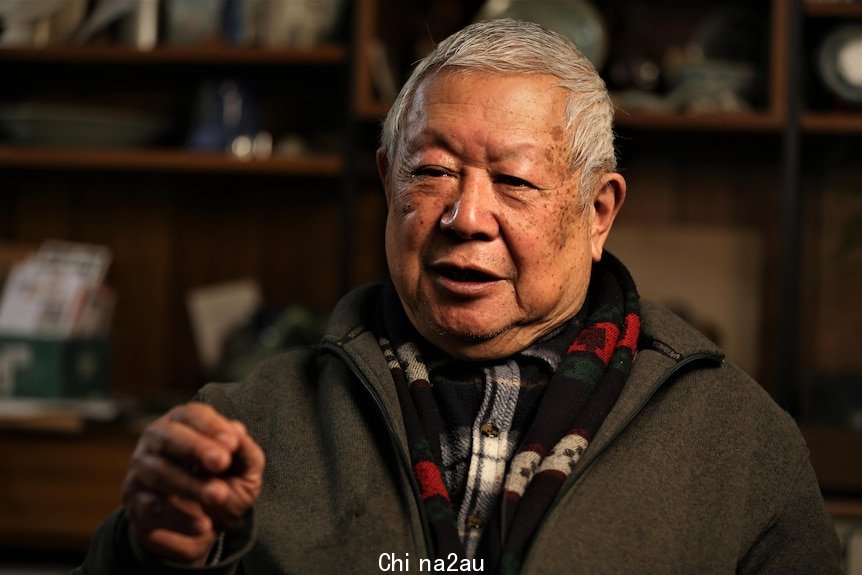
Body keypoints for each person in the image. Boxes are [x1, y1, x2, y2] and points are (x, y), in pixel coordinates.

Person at [76, 19, 842, 574]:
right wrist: (146, 553)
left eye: (513, 181)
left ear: (598, 210)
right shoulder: (250, 425)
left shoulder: (739, 443)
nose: (465, 217)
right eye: (431, 171)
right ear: (386, 183)